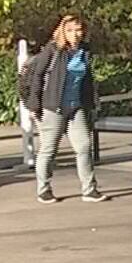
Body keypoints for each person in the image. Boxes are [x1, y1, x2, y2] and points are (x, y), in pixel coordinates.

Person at [21, 14, 107, 204]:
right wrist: (34, 104)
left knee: (84, 146)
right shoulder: (52, 51)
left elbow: (87, 81)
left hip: (76, 107)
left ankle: (89, 189)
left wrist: (91, 104)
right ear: (63, 31)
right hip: (53, 107)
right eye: (70, 30)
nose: (75, 34)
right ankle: (43, 189)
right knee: (49, 150)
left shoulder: (84, 52)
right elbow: (37, 76)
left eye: (78, 30)